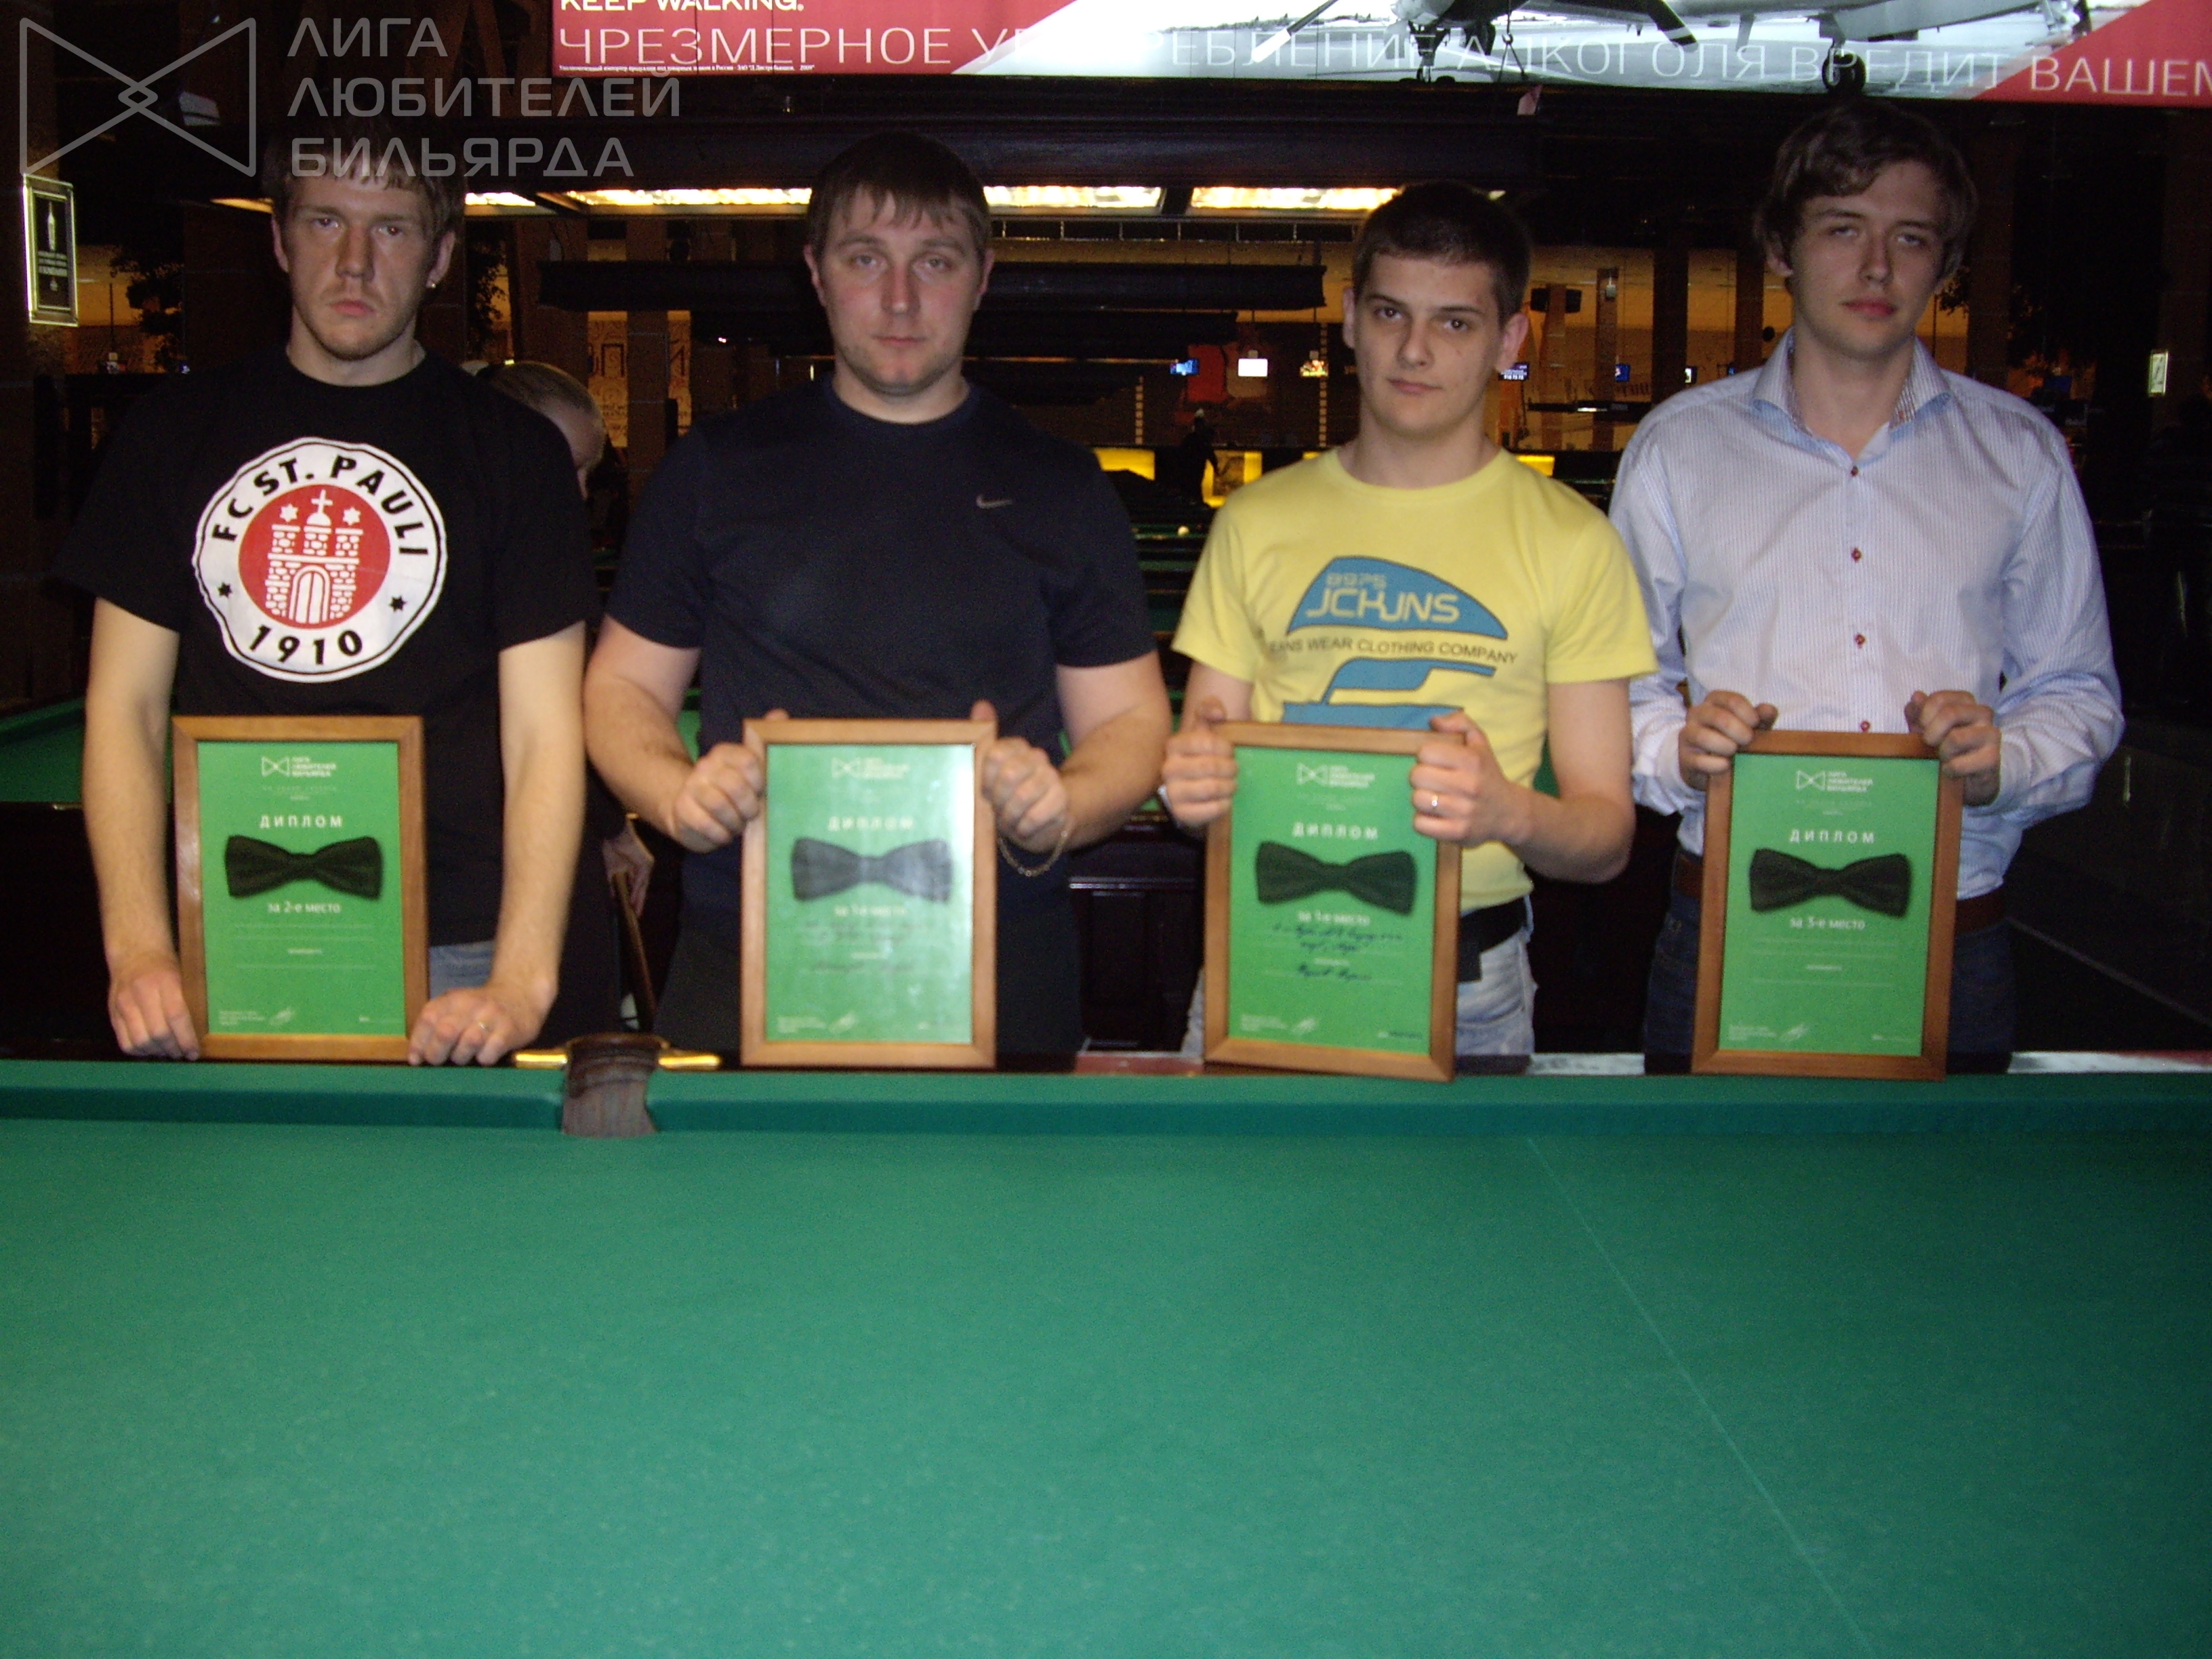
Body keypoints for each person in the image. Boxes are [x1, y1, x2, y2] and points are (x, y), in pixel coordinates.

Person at [583, 132, 1170, 1056]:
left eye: (935, 261)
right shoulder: (715, 469)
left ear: (981, 278)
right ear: (817, 274)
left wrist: (1065, 800)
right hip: (751, 943)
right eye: (866, 260)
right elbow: (621, 689)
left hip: (1000, 953)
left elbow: (1131, 723)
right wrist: (674, 793)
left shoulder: (1061, 485)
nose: (900, 299)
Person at [54, 119, 597, 1065]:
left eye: (391, 228)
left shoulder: (518, 454)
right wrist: (138, 949)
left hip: (457, 947)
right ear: (278, 239)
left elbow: (545, 733)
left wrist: (522, 975)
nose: (354, 262)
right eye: (324, 222)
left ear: (438, 258)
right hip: (231, 925)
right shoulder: (169, 433)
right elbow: (125, 710)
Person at [1615, 98, 2123, 1070]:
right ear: (1781, 247)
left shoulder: (2019, 454)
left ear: (1946, 261)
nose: (1878, 267)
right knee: (1700, 1175)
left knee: (1945, 1180)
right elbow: (1617, 685)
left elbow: (2079, 692)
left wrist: (2005, 760)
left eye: (1912, 238)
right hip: (1729, 915)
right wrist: (1676, 748)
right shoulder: (1679, 448)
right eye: (1844, 229)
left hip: (1952, 929)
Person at [1160, 182, 1658, 1059]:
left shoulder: (1574, 542)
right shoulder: (1254, 523)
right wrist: (1193, 792)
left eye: (1455, 323)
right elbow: (1207, 783)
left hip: (1469, 983)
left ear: (1510, 339)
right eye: (1392, 313)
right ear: (1352, 319)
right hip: (1265, 952)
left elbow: (1606, 838)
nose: (1415, 349)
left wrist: (1508, 811)